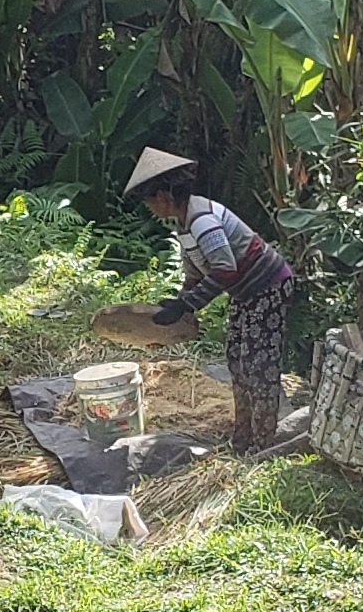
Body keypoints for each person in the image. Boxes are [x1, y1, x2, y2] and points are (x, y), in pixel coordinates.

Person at [124, 148, 297, 450]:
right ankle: (242, 437)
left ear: (164, 196)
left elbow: (225, 269)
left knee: (258, 365)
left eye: (151, 200)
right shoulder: (184, 223)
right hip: (246, 291)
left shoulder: (203, 220)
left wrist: (188, 305)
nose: (150, 208)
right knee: (237, 360)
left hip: (267, 285)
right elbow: (195, 273)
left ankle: (263, 444)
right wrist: (179, 302)